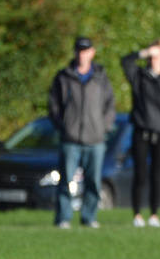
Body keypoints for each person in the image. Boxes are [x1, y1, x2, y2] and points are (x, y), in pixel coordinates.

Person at [48, 36, 116, 229]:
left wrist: (104, 127)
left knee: (93, 182)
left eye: (86, 50)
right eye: (79, 49)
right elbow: (54, 105)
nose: (82, 53)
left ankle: (89, 217)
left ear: (92, 52)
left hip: (95, 139)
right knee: (66, 181)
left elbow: (110, 106)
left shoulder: (101, 78)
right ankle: (63, 218)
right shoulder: (64, 76)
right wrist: (63, 125)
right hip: (70, 138)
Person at [121, 40, 160, 228]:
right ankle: (137, 214)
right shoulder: (140, 76)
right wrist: (144, 52)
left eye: (158, 56)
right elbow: (125, 62)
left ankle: (154, 214)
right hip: (141, 131)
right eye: (152, 56)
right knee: (140, 174)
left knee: (156, 175)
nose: (154, 60)